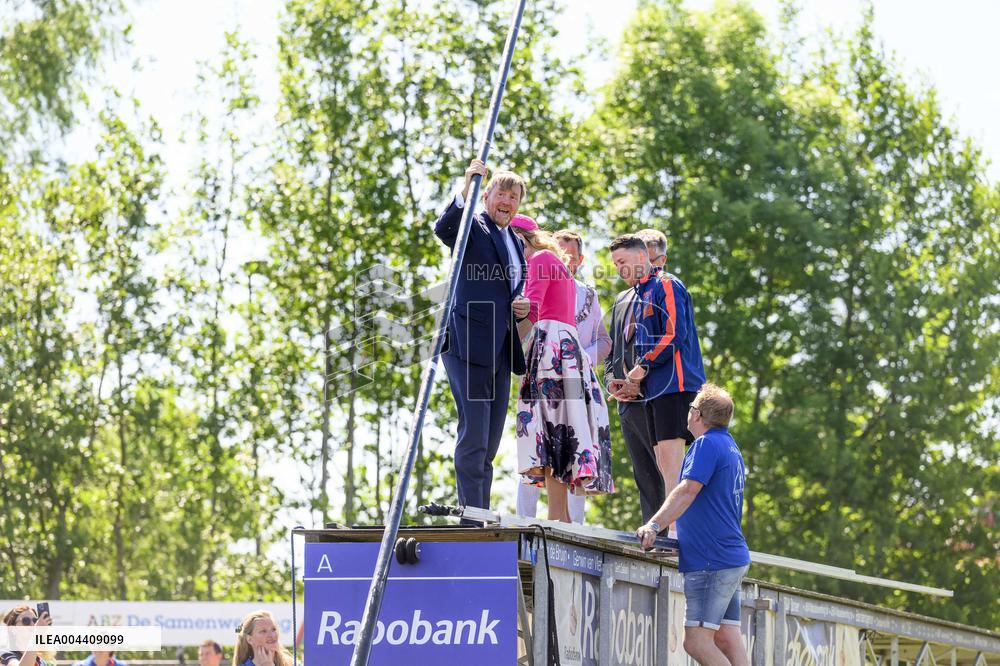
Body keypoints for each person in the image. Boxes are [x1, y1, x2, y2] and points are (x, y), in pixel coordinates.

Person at [434, 159, 530, 515]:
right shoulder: (473, 227)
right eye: (501, 193)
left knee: (489, 441)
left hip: (501, 348)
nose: (507, 201)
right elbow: (445, 229)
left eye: (514, 197)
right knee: (473, 433)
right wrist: (464, 189)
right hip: (469, 344)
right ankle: (470, 514)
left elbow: (503, 290)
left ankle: (480, 512)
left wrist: (517, 307)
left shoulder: (515, 243)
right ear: (487, 195)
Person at [635, 384, 750, 666]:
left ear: (696, 414)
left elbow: (687, 490)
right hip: (729, 557)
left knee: (696, 641)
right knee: (727, 637)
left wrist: (654, 524)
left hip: (711, 560)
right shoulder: (729, 445)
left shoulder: (706, 444)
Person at [510, 215, 614, 522]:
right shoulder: (553, 262)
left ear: (520, 240)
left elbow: (530, 307)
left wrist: (502, 350)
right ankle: (561, 517)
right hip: (564, 349)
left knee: (551, 426)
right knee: (557, 429)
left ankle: (560, 517)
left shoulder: (541, 259)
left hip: (552, 348)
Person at [610, 233, 706, 532]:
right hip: (654, 390)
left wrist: (642, 367)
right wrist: (631, 380)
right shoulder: (638, 294)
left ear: (642, 257)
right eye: (615, 265)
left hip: (676, 385)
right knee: (664, 462)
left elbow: (674, 333)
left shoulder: (667, 283)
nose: (619, 269)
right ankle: (672, 528)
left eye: (623, 262)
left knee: (672, 462)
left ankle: (679, 531)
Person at [604, 238, 665, 523]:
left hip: (655, 398)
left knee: (666, 471)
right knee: (644, 475)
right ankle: (651, 535)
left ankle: (670, 536)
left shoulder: (664, 294)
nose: (621, 269)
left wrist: (639, 380)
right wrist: (612, 382)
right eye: (617, 264)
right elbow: (612, 351)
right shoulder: (620, 301)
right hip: (627, 406)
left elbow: (668, 344)